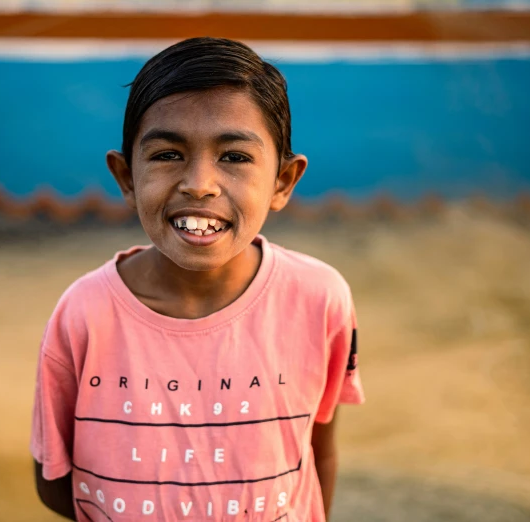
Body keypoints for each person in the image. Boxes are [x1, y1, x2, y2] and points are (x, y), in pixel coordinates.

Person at [31, 36, 364, 522]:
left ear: (283, 181)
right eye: (167, 154)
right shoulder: (84, 314)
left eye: (234, 157)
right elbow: (53, 479)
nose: (199, 183)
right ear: (126, 177)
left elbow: (316, 451)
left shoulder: (319, 299)